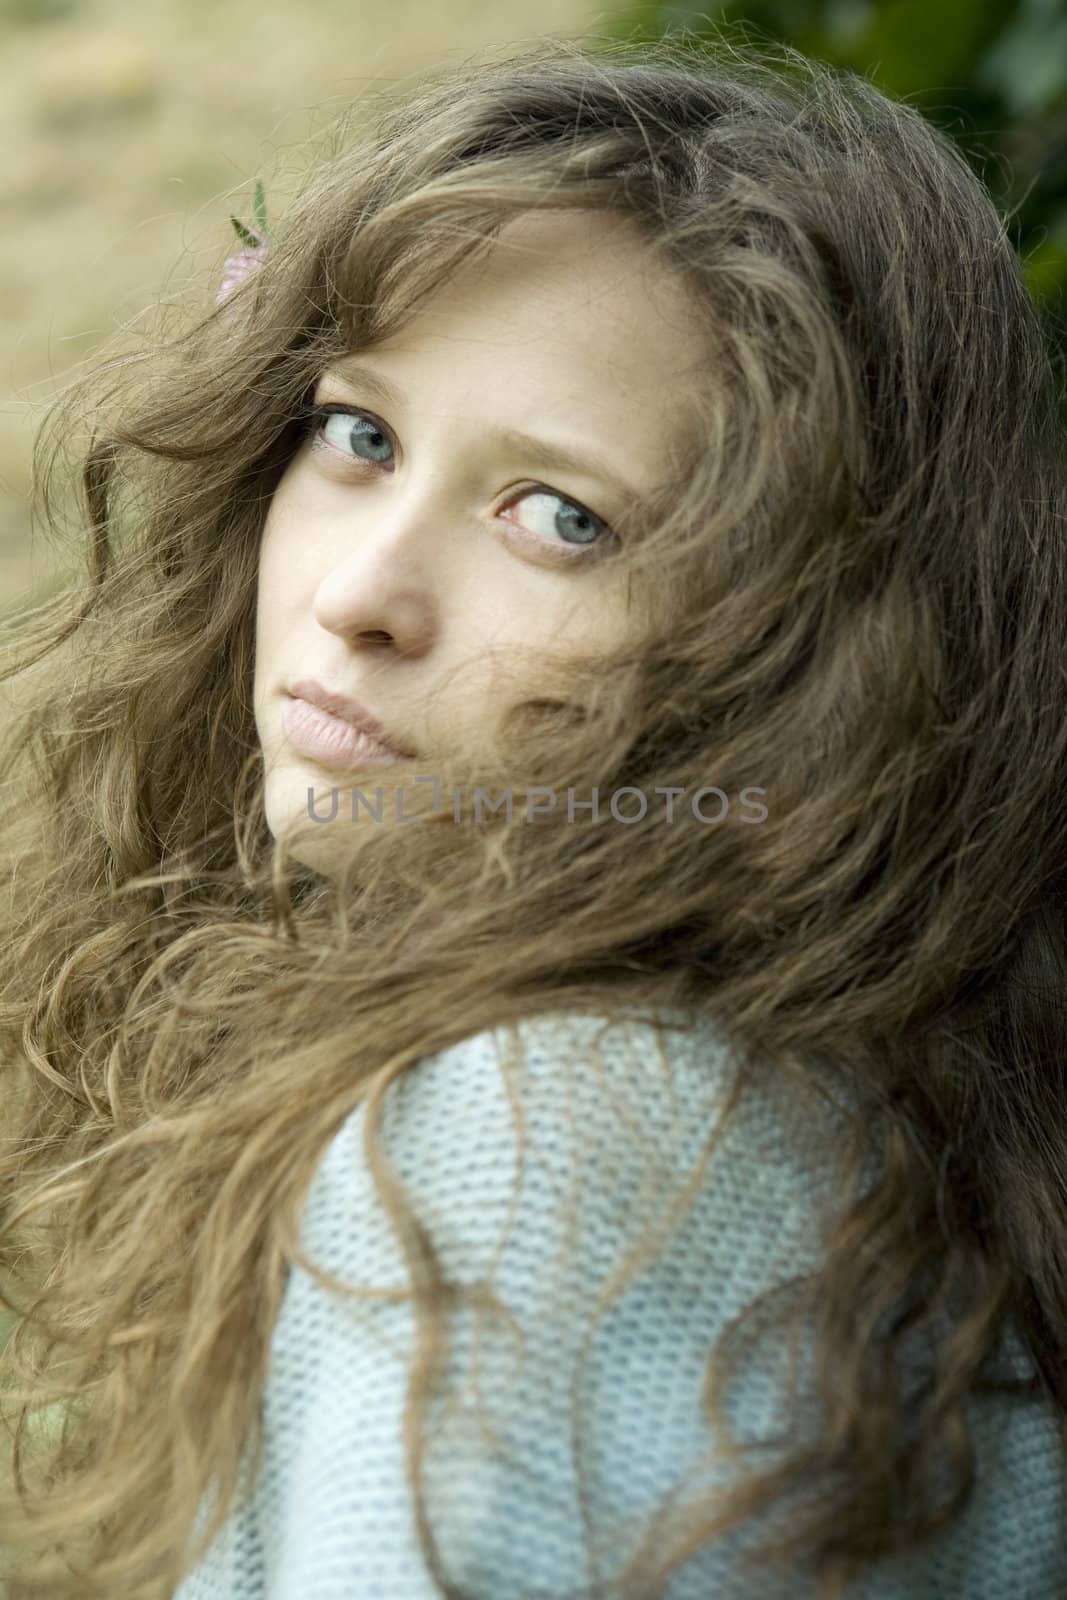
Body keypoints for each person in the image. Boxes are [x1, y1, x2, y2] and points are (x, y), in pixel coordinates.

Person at [0, 27, 1065, 1600]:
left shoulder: (542, 1136)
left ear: (810, 645)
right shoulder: (847, 1081)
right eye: (358, 435)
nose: (359, 598)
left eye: (560, 519)